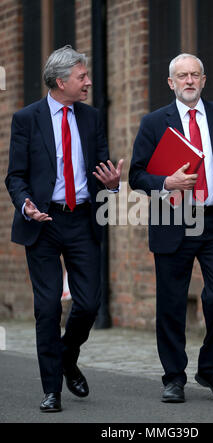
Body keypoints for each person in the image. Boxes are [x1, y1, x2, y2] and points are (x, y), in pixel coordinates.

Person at [5, 45, 123, 412]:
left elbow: (102, 169)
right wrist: (25, 204)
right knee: (47, 308)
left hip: (81, 219)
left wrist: (114, 183)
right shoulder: (26, 119)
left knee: (88, 304)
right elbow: (15, 176)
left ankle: (67, 357)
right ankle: (51, 389)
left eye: (86, 76)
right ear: (61, 81)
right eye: (81, 77)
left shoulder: (91, 117)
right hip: (42, 220)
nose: (88, 82)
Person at [129, 54, 213, 403]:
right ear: (171, 83)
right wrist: (167, 181)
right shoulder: (154, 123)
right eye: (182, 76)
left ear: (204, 80)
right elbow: (136, 175)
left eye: (195, 75)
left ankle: (210, 366)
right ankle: (173, 377)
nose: (189, 81)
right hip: (172, 218)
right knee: (171, 301)